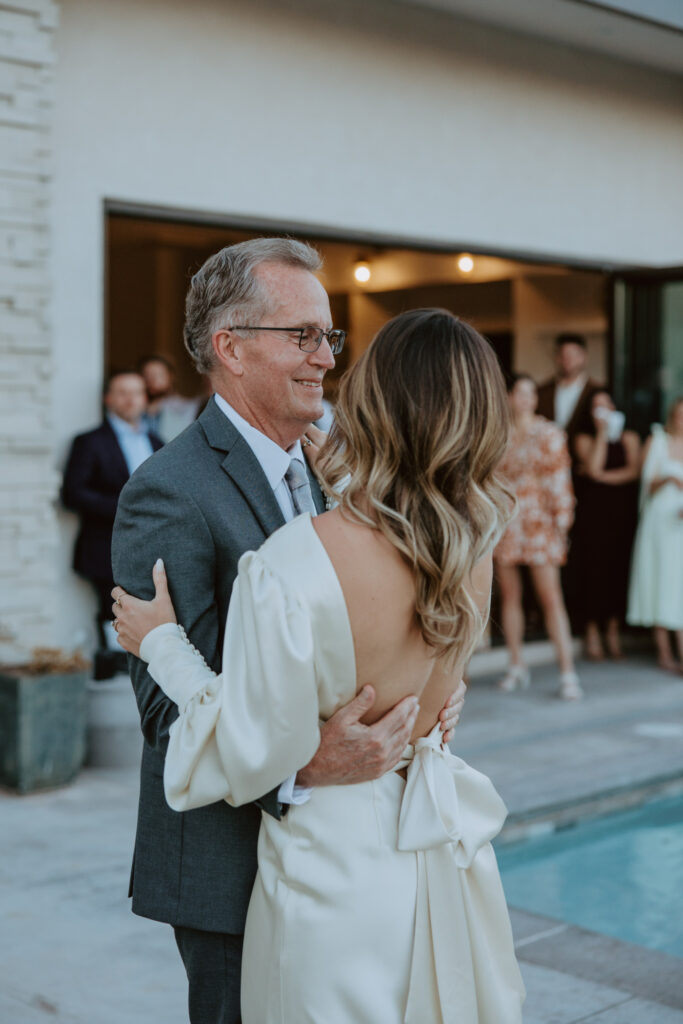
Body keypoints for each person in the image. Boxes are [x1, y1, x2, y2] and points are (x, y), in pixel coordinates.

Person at [112, 307, 525, 1024]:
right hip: (426, 856)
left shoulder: (295, 557)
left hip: (326, 870)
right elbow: (433, 671)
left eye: (332, 343)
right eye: (304, 336)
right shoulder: (473, 542)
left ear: (376, 400)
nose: (327, 359)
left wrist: (162, 646)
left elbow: (237, 738)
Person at [62, 371, 162, 679]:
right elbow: (72, 493)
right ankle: (114, 679)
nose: (131, 399)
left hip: (151, 550)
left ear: (145, 399)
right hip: (103, 547)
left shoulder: (157, 442)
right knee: (112, 615)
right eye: (122, 392)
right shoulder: (89, 442)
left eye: (137, 392)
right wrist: (123, 509)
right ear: (108, 398)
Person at [494, 374, 582, 699]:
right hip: (506, 522)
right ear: (509, 396)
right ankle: (516, 664)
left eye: (531, 393)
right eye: (520, 392)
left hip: (541, 522)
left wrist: (562, 521)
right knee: (510, 595)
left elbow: (560, 478)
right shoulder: (498, 435)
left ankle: (567, 672)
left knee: (550, 597)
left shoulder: (549, 432)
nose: (527, 398)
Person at [572, 390, 640, 660]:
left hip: (621, 513)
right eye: (596, 407)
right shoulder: (584, 438)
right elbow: (593, 466)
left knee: (617, 571)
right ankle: (591, 632)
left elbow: (633, 471)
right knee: (593, 571)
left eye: (607, 405)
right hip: (593, 514)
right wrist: (602, 433)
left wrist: (601, 477)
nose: (602, 410)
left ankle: (612, 631)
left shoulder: (630, 437)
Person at [627, 397, 683, 673]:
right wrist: (669, 479)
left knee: (679, 586)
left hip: (681, 525)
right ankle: (664, 653)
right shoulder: (657, 441)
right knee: (661, 581)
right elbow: (644, 483)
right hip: (659, 522)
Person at [536, 333, 601, 455]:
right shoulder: (541, 391)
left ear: (584, 356)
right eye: (563, 355)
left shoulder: (598, 392)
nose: (568, 360)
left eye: (573, 355)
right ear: (557, 358)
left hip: (584, 463)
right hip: (549, 459)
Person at [139, 353, 202, 442]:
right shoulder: (134, 409)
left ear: (171, 377)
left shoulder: (187, 408)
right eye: (147, 375)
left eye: (158, 375)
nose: (152, 380)